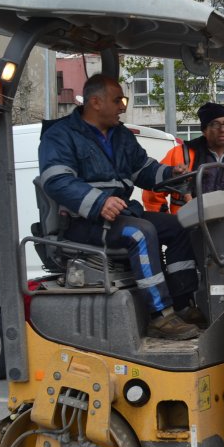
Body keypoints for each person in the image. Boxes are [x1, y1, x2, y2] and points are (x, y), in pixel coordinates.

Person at [38, 74, 202, 340]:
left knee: (177, 226)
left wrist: (173, 174)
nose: (123, 106)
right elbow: (56, 181)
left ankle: (183, 304)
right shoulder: (60, 136)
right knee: (140, 233)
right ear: (95, 102)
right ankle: (161, 317)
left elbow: (144, 170)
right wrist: (99, 202)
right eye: (118, 100)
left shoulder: (120, 136)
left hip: (119, 216)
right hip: (83, 224)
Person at [143, 102, 224, 226]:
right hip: (189, 232)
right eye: (215, 124)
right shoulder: (181, 155)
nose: (222, 129)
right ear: (204, 130)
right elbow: (153, 192)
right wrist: (170, 222)